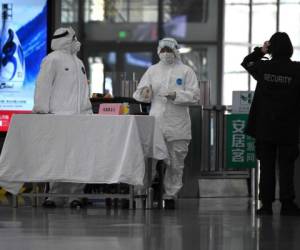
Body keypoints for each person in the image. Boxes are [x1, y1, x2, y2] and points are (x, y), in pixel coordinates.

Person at [133, 37, 200, 209]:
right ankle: (142, 191)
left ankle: (170, 195)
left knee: (176, 162)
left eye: (169, 51)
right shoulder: (152, 71)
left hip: (178, 125)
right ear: (158, 51)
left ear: (176, 51)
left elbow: (195, 96)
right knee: (149, 159)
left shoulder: (186, 71)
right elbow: (139, 94)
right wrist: (145, 93)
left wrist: (176, 95)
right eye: (163, 51)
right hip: (156, 123)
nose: (166, 54)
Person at [33, 27, 92, 208]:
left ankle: (76, 195)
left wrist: (87, 112)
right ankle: (54, 196)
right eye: (74, 37)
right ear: (67, 39)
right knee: (58, 157)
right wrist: (41, 110)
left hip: (80, 118)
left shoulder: (79, 62)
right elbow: (42, 86)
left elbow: (83, 91)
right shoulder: (52, 59)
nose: (76, 40)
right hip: (58, 117)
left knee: (78, 157)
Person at [241, 32, 300, 216]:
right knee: (286, 166)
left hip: (265, 126)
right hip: (289, 126)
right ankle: (287, 203)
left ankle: (266, 205)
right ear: (290, 49)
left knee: (266, 166)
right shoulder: (297, 69)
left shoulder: (263, 67)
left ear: (272, 48)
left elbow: (246, 62)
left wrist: (261, 51)